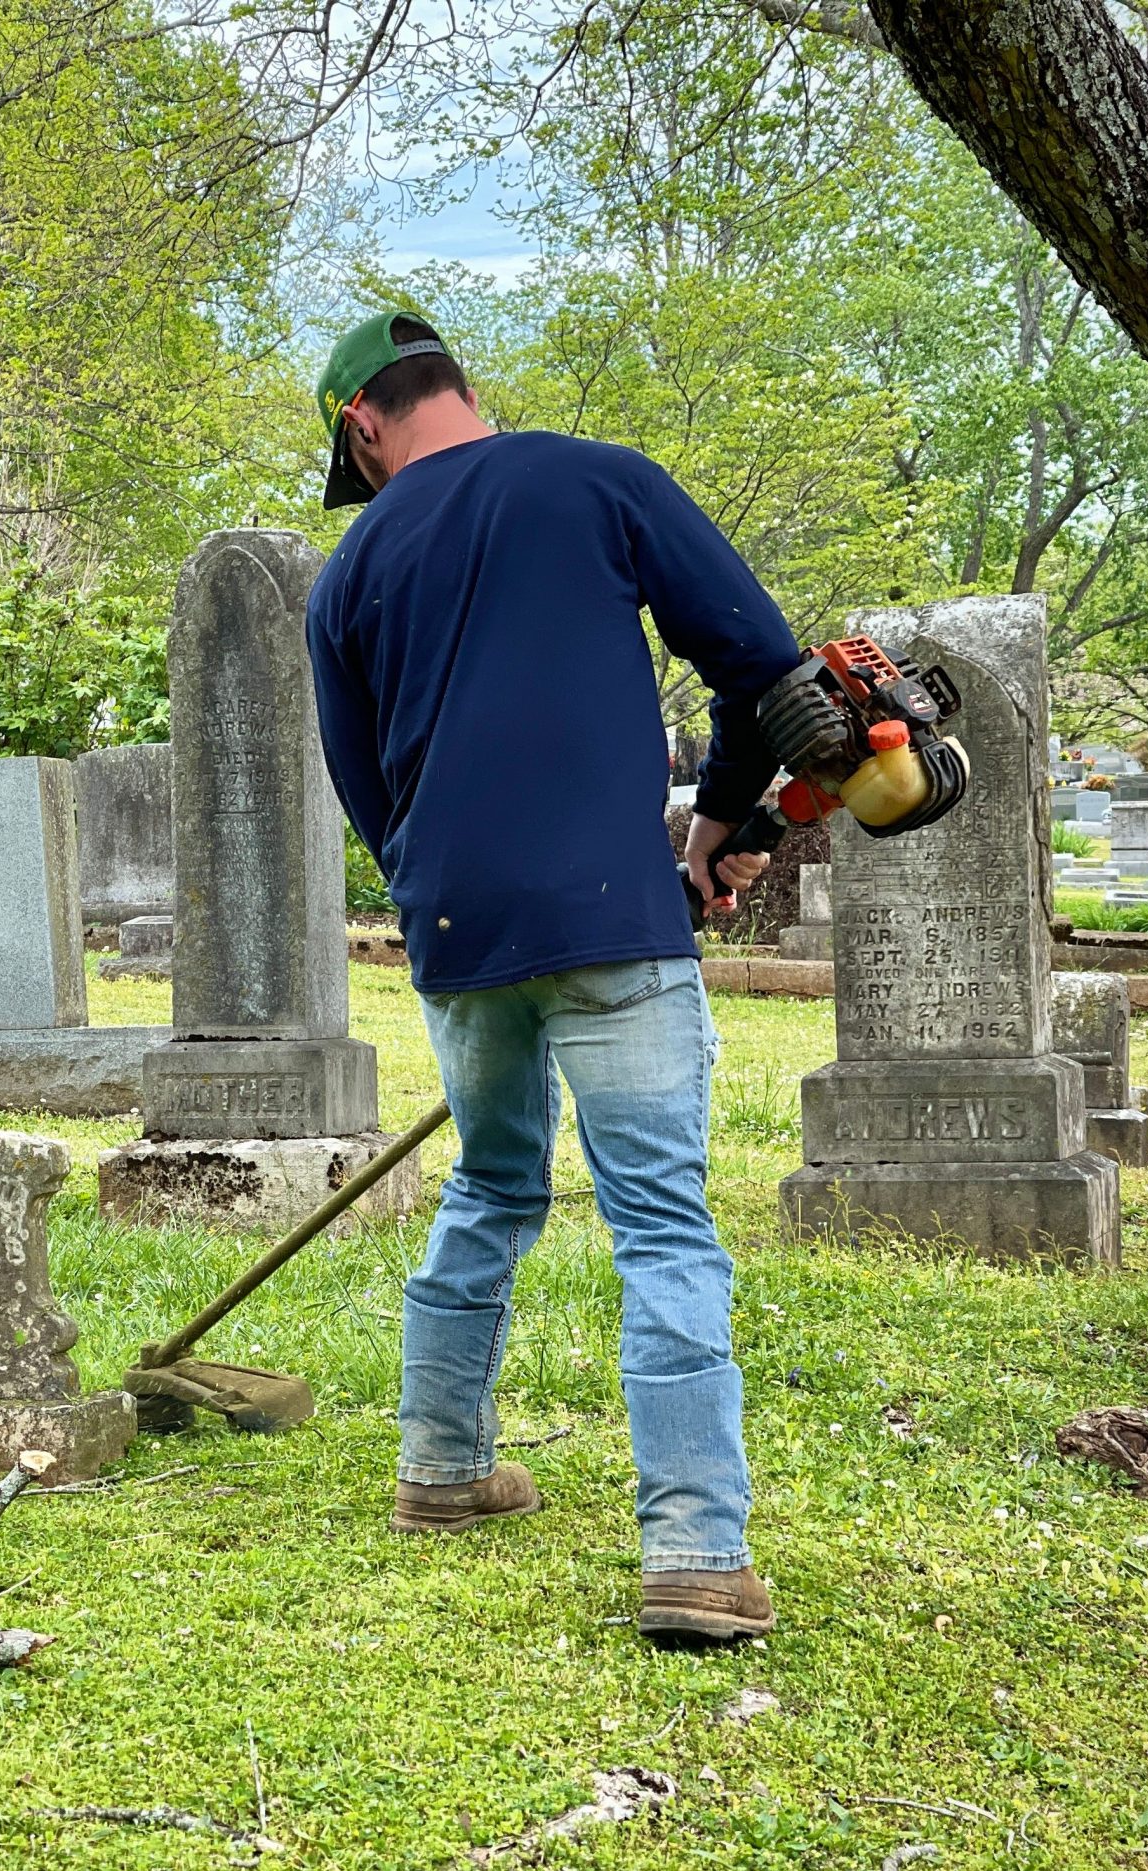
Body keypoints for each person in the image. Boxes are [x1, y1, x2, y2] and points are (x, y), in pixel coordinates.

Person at [303, 310, 801, 1645]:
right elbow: (766, 671)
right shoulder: (600, 478)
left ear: (362, 425)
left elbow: (374, 800)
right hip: (612, 918)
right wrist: (722, 831)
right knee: (661, 1225)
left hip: (460, 936)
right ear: (459, 390)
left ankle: (442, 1469)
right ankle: (695, 1551)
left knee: (490, 1184)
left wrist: (451, 901)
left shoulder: (347, 576)